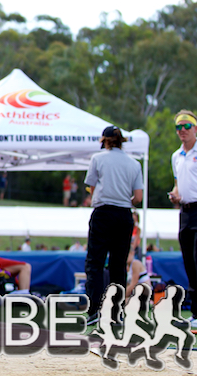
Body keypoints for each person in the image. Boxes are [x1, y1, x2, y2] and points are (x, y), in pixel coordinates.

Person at [83, 125, 143, 325]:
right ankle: (116, 312)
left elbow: (92, 187)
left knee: (95, 263)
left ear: (105, 141)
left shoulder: (98, 159)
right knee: (119, 265)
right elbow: (139, 197)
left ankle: (94, 310)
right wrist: (124, 200)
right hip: (124, 214)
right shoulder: (134, 164)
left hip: (103, 212)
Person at [168, 108, 197, 330]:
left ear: (195, 128)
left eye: (186, 126)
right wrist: (175, 194)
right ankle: (196, 311)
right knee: (189, 262)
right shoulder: (176, 155)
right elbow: (178, 184)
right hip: (185, 211)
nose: (182, 130)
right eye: (179, 127)